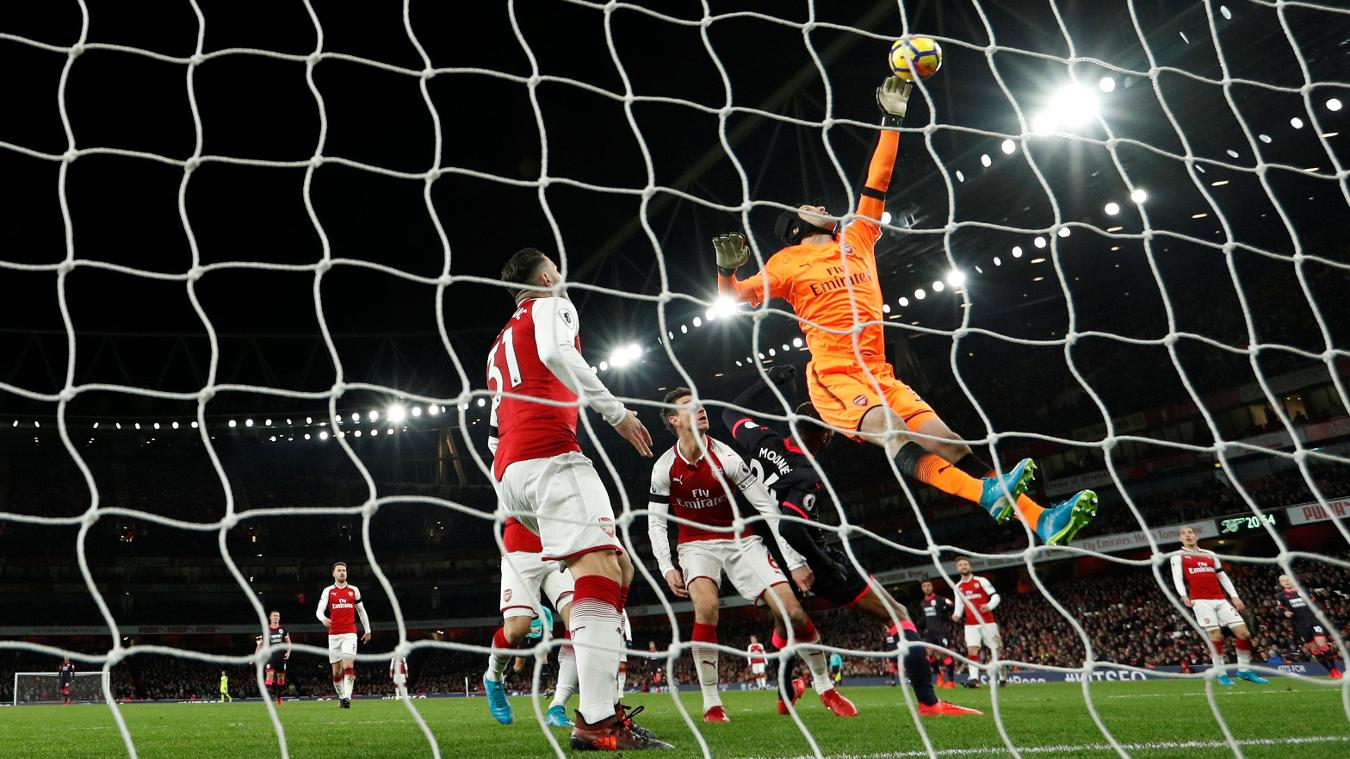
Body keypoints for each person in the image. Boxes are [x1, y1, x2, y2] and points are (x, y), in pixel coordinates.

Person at [712, 76, 1096, 547]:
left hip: (879, 372)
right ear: (795, 228)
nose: (819, 204)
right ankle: (987, 494)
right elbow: (734, 299)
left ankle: (1040, 519)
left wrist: (892, 119)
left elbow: (878, 180)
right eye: (809, 206)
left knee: (951, 442)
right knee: (894, 434)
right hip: (837, 374)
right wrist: (726, 273)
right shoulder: (785, 263)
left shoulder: (857, 239)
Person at [488, 247, 669, 751]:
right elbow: (555, 353)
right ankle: (596, 722)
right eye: (557, 269)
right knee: (603, 572)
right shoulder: (553, 301)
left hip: (512, 474)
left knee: (616, 569)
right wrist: (617, 414)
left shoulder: (501, 339)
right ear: (546, 276)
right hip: (551, 457)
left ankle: (600, 705)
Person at [721, 365, 978, 716]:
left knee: (786, 624)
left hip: (767, 556)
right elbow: (793, 529)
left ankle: (783, 697)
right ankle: (929, 703)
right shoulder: (806, 475)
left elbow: (729, 412)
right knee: (897, 614)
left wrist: (767, 381)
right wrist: (825, 564)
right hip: (810, 558)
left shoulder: (763, 439)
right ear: (825, 436)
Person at [648, 387, 857, 723]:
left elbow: (768, 509)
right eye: (689, 407)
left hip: (740, 539)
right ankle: (712, 703)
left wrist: (795, 562)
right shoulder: (664, 468)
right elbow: (656, 523)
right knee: (705, 607)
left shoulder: (728, 458)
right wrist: (666, 566)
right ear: (674, 421)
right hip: (696, 545)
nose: (700, 409)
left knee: (793, 613)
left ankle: (825, 687)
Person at [484, 515, 578, 729]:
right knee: (517, 630)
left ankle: (557, 707)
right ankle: (493, 677)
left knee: (578, 620)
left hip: (556, 546)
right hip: (519, 549)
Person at [1170, 526, 1268, 686]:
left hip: (1220, 599)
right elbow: (1177, 578)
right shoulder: (1178, 556)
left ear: (1196, 536)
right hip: (1200, 601)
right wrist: (1183, 595)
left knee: (1244, 633)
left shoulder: (1210, 554)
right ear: (1180, 539)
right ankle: (1221, 673)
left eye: (1190, 533)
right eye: (1183, 534)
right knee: (1216, 636)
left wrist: (1234, 597)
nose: (1187, 535)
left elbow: (1222, 576)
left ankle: (1244, 671)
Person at [316, 561, 373, 708]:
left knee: (348, 665)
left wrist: (367, 630)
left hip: (350, 633)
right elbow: (319, 610)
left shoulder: (354, 590)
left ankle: (347, 697)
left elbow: (361, 611)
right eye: (339, 571)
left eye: (344, 571)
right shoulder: (328, 591)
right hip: (334, 635)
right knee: (336, 672)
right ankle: (341, 697)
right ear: (334, 573)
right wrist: (323, 619)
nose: (342, 573)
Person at [1276, 574, 1341, 678]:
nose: (1286, 582)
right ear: (1281, 583)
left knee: (1322, 644)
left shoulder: (1302, 590)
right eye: (1283, 581)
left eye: (1288, 579)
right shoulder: (1281, 596)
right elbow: (1279, 610)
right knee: (1315, 649)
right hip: (1300, 625)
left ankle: (1334, 669)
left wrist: (1319, 610)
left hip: (1313, 621)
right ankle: (1329, 670)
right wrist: (1285, 613)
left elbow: (1315, 602)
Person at [950, 557, 1002, 687]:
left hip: (987, 622)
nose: (963, 566)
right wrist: (956, 615)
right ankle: (974, 679)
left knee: (996, 650)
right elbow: (959, 604)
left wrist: (989, 606)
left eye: (965, 564)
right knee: (972, 650)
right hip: (970, 624)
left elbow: (995, 596)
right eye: (960, 565)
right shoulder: (957, 587)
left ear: (970, 566)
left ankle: (1002, 677)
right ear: (958, 568)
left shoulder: (981, 581)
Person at [918, 580, 958, 689]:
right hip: (929, 633)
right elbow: (924, 619)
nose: (927, 588)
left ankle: (951, 681)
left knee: (943, 654)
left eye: (928, 585)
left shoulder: (940, 600)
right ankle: (939, 675)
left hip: (942, 631)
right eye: (924, 586)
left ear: (932, 587)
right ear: (922, 588)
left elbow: (952, 605)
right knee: (929, 654)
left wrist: (947, 614)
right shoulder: (922, 603)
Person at [254, 610, 292, 706]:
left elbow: (289, 643)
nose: (276, 617)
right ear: (270, 618)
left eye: (278, 616)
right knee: (270, 675)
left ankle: (279, 697)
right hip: (270, 657)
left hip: (281, 657)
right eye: (274, 616)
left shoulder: (283, 630)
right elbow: (261, 644)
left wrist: (288, 652)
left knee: (281, 679)